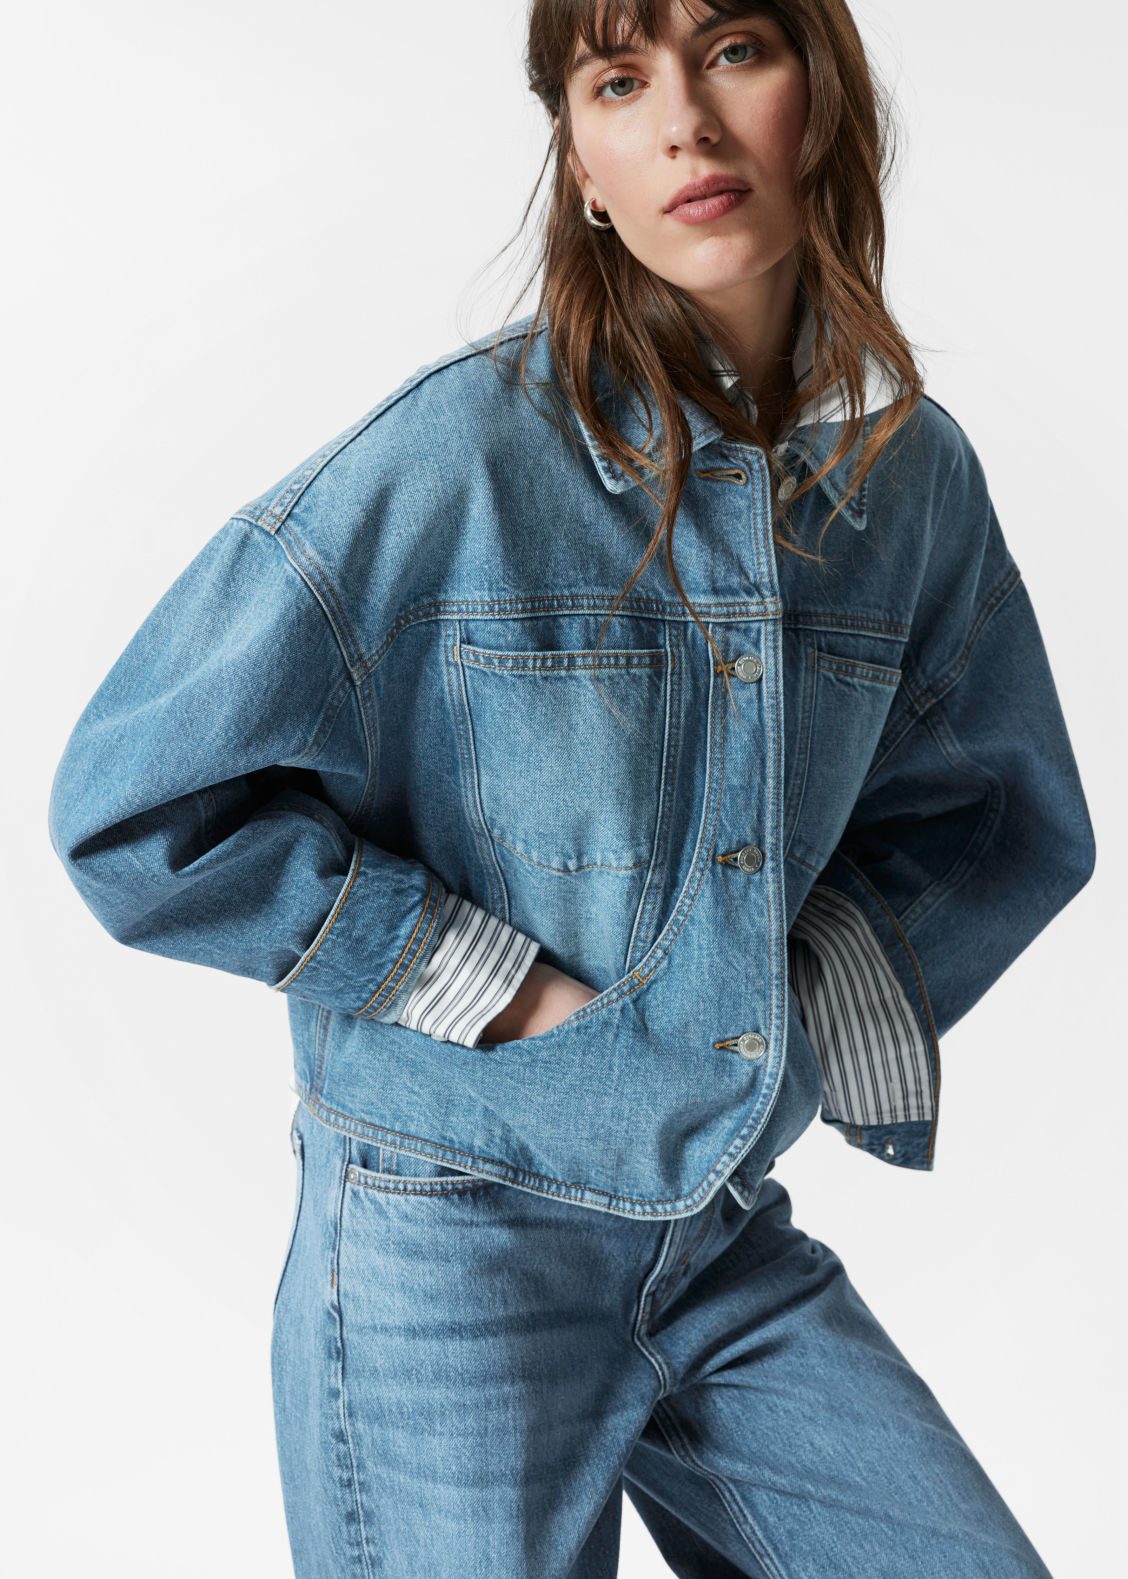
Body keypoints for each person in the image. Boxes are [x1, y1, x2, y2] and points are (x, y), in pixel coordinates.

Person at [47, 1, 1095, 1574]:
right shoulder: (459, 454)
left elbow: (997, 818)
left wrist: (793, 1005)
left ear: (824, 92)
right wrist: (501, 989)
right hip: (447, 1248)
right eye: (619, 80)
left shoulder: (909, 482)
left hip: (713, 1230)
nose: (685, 121)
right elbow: (139, 804)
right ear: (584, 168)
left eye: (734, 50)